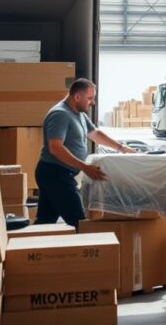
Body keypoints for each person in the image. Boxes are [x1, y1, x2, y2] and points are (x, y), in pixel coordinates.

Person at [36, 78, 136, 229]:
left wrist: (121, 148)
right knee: (79, 222)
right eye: (90, 98)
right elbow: (55, 147)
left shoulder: (79, 114)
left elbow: (95, 134)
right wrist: (84, 167)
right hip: (55, 174)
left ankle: (28, 244)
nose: (93, 102)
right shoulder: (60, 114)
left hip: (57, 173)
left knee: (45, 222)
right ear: (77, 96)